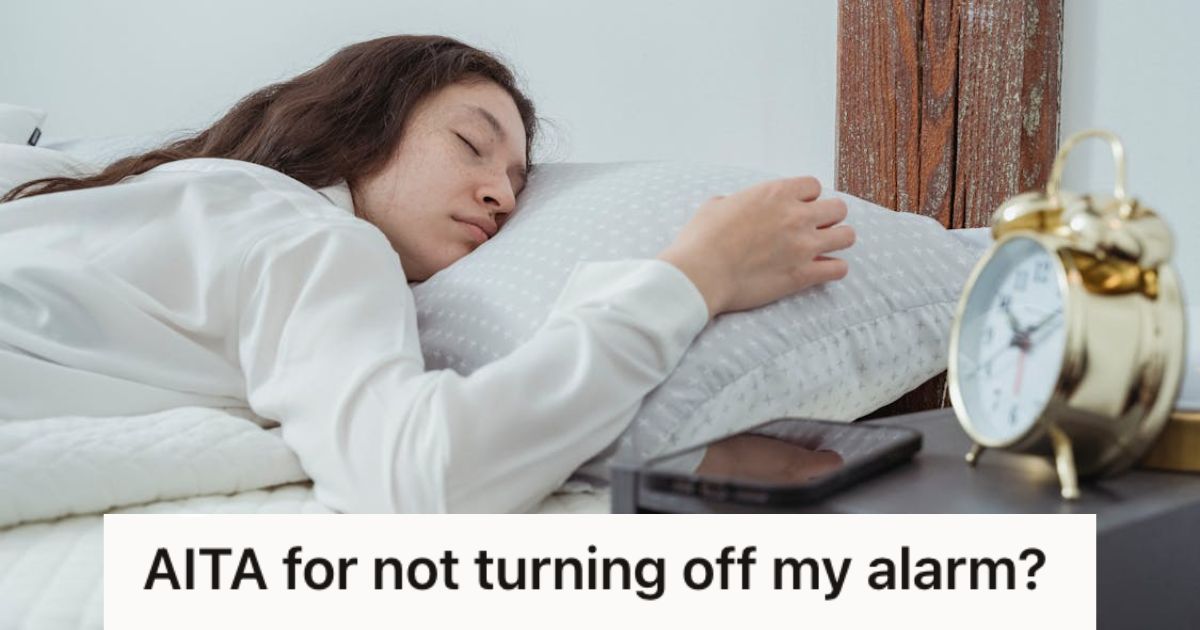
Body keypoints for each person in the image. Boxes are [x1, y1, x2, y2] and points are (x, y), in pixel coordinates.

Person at [0, 35, 855, 512]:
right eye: (471, 144)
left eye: (519, 186)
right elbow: (417, 473)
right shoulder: (309, 238)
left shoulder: (167, 196)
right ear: (361, 120)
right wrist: (690, 278)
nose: (499, 194)